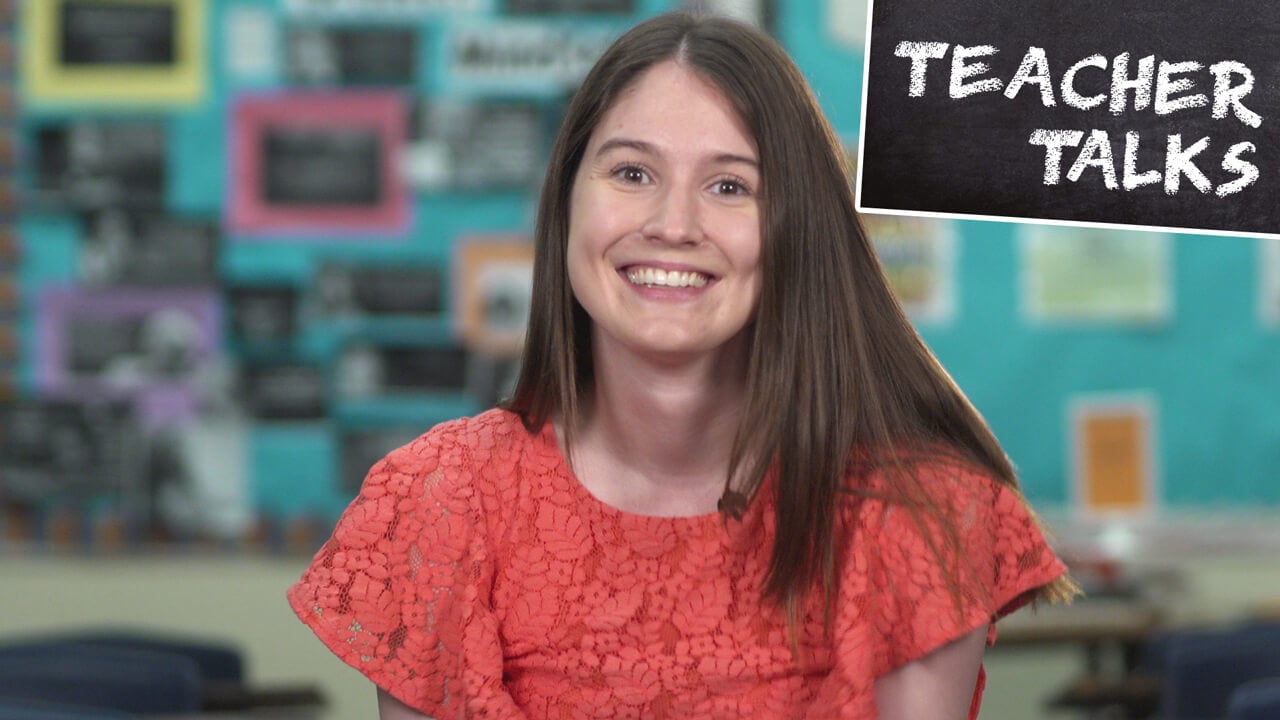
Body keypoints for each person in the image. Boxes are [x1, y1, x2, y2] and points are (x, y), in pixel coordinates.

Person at [288, 11, 1079, 719]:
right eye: (632, 173)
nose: (673, 225)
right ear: (567, 198)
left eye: (730, 186)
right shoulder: (438, 503)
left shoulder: (917, 515)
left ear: (794, 228)